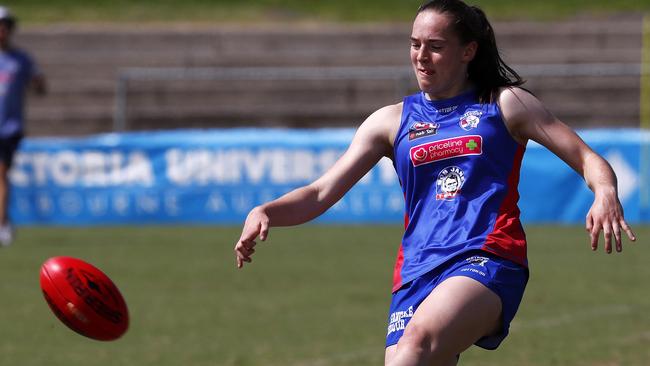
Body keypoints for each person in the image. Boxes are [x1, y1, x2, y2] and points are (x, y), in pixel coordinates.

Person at [233, 0, 637, 365]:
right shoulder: (390, 121)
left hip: (486, 255)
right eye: (414, 44)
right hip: (416, 270)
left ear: (468, 51)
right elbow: (320, 193)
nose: (421, 56)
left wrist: (604, 191)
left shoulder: (504, 104)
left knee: (415, 347)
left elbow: (588, 158)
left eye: (435, 46)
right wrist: (265, 210)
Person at [0, 6, 46, 246]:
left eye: (5, 26)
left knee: (0, 174)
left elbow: (40, 86)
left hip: (7, 129)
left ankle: (2, 223)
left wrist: (39, 83)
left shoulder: (21, 59)